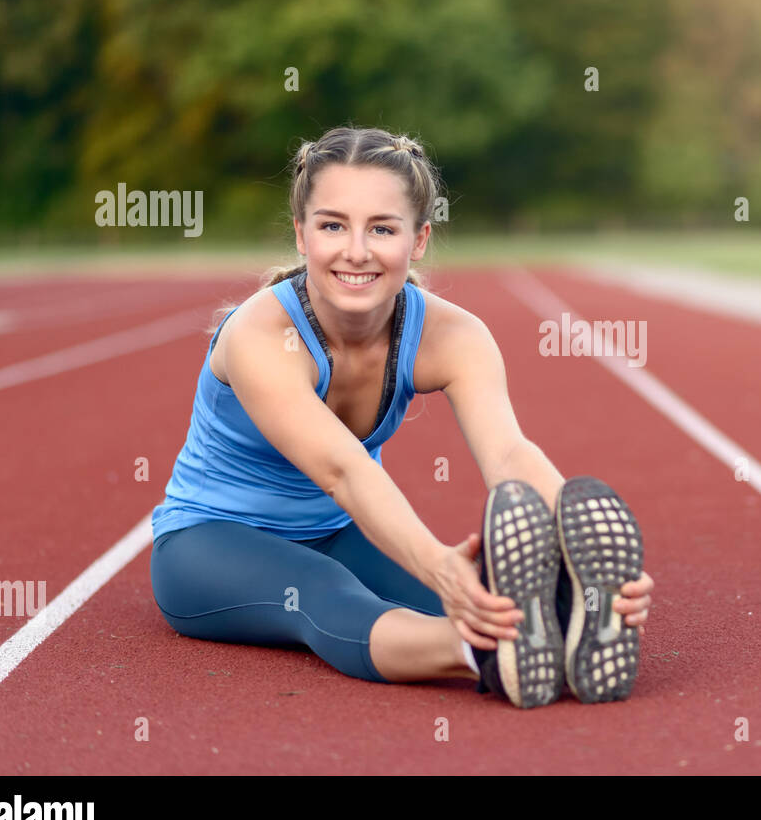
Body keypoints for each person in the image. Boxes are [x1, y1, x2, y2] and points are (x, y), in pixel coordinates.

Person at [149, 126, 654, 708]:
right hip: (209, 545)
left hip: (335, 532)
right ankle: (483, 654)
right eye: (332, 225)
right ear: (301, 235)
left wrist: (579, 552)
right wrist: (439, 562)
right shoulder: (262, 336)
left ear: (418, 240)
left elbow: (509, 453)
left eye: (382, 229)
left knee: (488, 596)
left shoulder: (453, 335)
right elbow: (343, 471)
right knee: (323, 592)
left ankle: (568, 624)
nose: (357, 251)